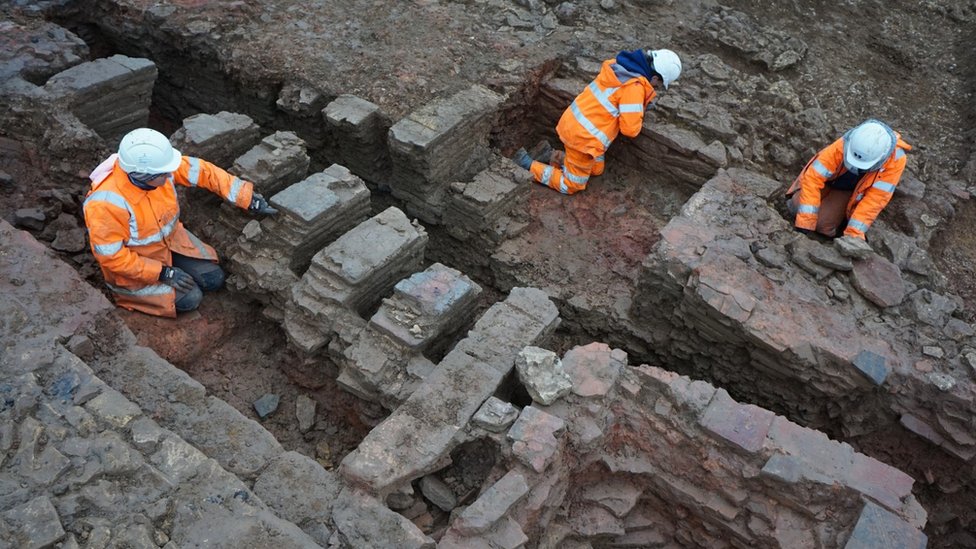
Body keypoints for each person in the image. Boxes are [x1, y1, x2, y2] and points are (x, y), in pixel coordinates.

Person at [83, 127, 277, 318]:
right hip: (136, 266)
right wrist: (162, 273)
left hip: (172, 243)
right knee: (192, 299)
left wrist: (247, 197)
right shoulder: (105, 205)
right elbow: (113, 258)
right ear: (144, 176)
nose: (171, 176)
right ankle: (134, 297)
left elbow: (203, 171)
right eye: (164, 175)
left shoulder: (157, 171)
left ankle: (178, 268)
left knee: (214, 279)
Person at [512, 48, 682, 195]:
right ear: (654, 78)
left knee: (596, 169)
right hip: (583, 140)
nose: (655, 88)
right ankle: (526, 164)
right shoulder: (634, 88)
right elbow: (630, 129)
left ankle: (552, 155)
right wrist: (640, 107)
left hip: (575, 124)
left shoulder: (619, 68)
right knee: (572, 185)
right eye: (657, 85)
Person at [787, 119, 911, 240]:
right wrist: (805, 222)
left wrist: (853, 236)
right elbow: (813, 178)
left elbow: (874, 200)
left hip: (848, 192)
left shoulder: (896, 160)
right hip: (827, 181)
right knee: (796, 207)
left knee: (823, 226)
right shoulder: (850, 141)